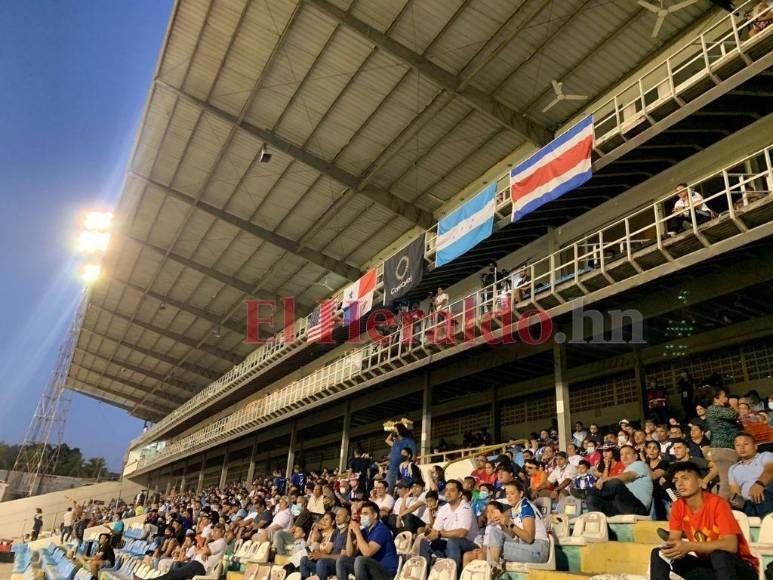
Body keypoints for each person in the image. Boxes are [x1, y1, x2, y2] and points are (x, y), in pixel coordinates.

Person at [649, 462, 758, 580]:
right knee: (659, 554)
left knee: (718, 554)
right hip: (709, 568)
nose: (679, 484)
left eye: (685, 478)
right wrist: (671, 547)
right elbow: (674, 540)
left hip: (739, 569)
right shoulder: (677, 506)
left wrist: (689, 546)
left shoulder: (718, 504)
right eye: (676, 480)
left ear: (700, 482)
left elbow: (731, 545)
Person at [418, 479, 478, 571]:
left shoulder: (465, 508)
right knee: (424, 542)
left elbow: (462, 533)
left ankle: (453, 574)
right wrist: (430, 535)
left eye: (452, 490)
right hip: (449, 544)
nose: (448, 493)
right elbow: (435, 530)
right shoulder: (444, 509)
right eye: (446, 490)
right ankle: (424, 573)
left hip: (470, 544)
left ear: (460, 494)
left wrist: (439, 534)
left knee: (453, 541)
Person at [488, 480, 550, 565]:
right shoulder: (516, 508)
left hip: (537, 550)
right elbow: (513, 535)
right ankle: (494, 566)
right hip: (525, 546)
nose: (509, 497)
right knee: (495, 532)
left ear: (521, 494)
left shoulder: (526, 507)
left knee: (495, 547)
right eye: (507, 494)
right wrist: (502, 523)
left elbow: (529, 538)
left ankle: (494, 566)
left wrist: (509, 523)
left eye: (512, 493)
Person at [337, 501, 398, 580]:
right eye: (362, 514)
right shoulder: (365, 531)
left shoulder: (381, 529)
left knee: (360, 560)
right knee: (342, 560)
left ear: (375, 515)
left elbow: (367, 553)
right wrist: (349, 533)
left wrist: (357, 531)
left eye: (365, 513)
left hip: (386, 572)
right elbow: (350, 553)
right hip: (370, 568)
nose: (362, 516)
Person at [586, 445, 652, 517]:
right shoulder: (625, 470)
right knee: (592, 499)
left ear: (636, 456)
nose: (624, 456)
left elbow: (628, 476)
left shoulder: (640, 464)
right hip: (621, 507)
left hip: (638, 507)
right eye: (621, 454)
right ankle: (595, 523)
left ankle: (588, 491)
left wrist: (604, 480)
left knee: (615, 483)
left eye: (627, 453)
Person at [700, 385, 740, 499]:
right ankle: (722, 510)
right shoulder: (713, 408)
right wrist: (734, 405)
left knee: (730, 481)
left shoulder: (717, 409)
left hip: (726, 449)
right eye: (724, 396)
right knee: (726, 483)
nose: (726, 398)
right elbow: (733, 414)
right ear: (715, 398)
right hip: (724, 449)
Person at [728, 432, 773, 517]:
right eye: (738, 445)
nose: (741, 447)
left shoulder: (765, 456)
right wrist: (734, 500)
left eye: (746, 444)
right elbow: (735, 492)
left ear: (755, 446)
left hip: (766, 498)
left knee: (763, 495)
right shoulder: (733, 469)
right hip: (748, 505)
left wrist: (759, 484)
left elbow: (771, 470)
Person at [300, 507, 349, 580]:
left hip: (337, 564)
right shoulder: (336, 532)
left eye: (340, 515)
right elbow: (327, 550)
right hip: (327, 561)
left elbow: (342, 557)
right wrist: (316, 554)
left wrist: (322, 556)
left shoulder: (348, 533)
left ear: (347, 518)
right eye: (336, 515)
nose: (337, 517)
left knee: (321, 562)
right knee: (304, 560)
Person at [385, 422, 417, 493]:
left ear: (400, 430)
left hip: (401, 471)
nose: (394, 431)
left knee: (400, 492)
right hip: (391, 471)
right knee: (387, 491)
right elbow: (387, 440)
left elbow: (414, 455)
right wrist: (392, 432)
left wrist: (409, 468)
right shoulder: (396, 442)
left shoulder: (409, 441)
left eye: (395, 430)